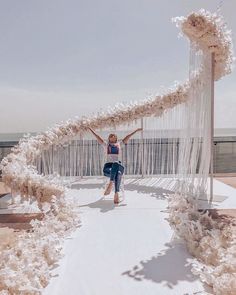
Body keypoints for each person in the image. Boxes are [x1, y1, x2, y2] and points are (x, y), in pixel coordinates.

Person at [88, 127, 143, 204]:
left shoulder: (119, 144)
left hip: (118, 165)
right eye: (111, 138)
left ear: (116, 138)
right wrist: (90, 129)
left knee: (116, 163)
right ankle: (116, 193)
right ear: (109, 139)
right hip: (108, 167)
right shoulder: (106, 145)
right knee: (118, 174)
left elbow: (128, 136)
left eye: (114, 138)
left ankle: (110, 184)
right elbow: (97, 137)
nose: (113, 139)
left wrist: (136, 130)